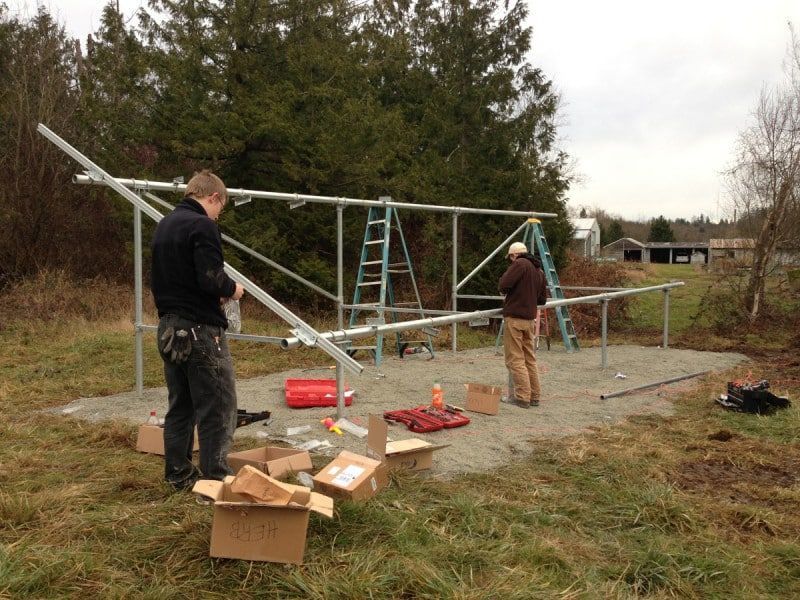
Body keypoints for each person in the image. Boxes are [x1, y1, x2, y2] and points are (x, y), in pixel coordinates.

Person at [151, 169, 244, 490]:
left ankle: (178, 474)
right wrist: (233, 289)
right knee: (218, 406)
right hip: (200, 331)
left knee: (181, 406)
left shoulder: (165, 225)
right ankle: (215, 478)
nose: (219, 216)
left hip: (168, 328)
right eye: (221, 207)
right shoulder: (202, 225)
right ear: (213, 197)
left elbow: (180, 276)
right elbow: (211, 278)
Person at [498, 241, 547, 408]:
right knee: (529, 359)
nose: (511, 261)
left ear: (514, 255)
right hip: (530, 320)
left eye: (510, 258)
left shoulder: (519, 264)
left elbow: (503, 285)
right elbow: (542, 299)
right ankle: (534, 396)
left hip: (515, 319)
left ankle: (522, 397)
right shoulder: (538, 270)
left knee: (515, 360)